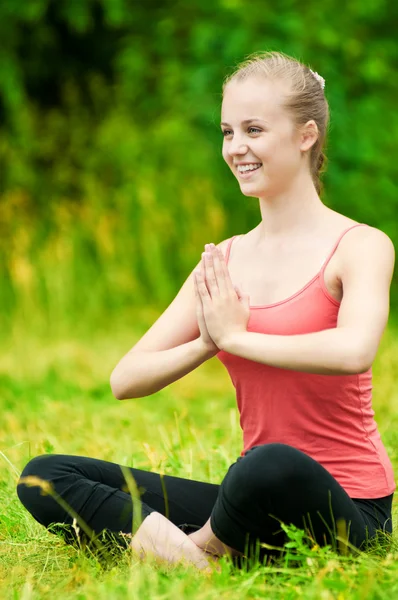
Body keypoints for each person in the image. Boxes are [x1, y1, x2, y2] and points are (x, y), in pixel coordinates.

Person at [17, 51, 396, 570]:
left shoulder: (360, 245)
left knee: (269, 463)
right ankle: (205, 562)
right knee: (47, 475)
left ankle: (184, 551)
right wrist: (207, 341)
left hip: (346, 510)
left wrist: (239, 339)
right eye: (227, 132)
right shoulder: (225, 262)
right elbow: (126, 379)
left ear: (306, 135)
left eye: (254, 130)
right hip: (247, 504)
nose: (237, 148)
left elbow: (354, 350)